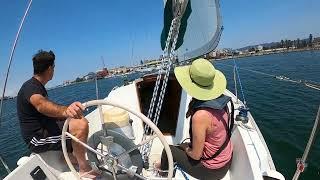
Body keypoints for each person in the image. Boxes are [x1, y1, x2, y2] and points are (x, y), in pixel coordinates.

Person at [17, 50, 95, 177]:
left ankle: (69, 157)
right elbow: (41, 104)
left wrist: (68, 115)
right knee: (80, 125)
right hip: (37, 139)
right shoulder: (30, 87)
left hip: (44, 128)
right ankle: (83, 169)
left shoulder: (35, 85)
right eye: (53, 67)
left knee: (77, 119)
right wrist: (66, 111)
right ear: (49, 69)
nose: (54, 70)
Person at [157, 58, 233, 180]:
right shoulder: (222, 102)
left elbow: (196, 155)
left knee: (168, 150)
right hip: (225, 160)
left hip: (212, 171)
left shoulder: (200, 116)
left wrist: (187, 148)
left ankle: (162, 173)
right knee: (182, 145)